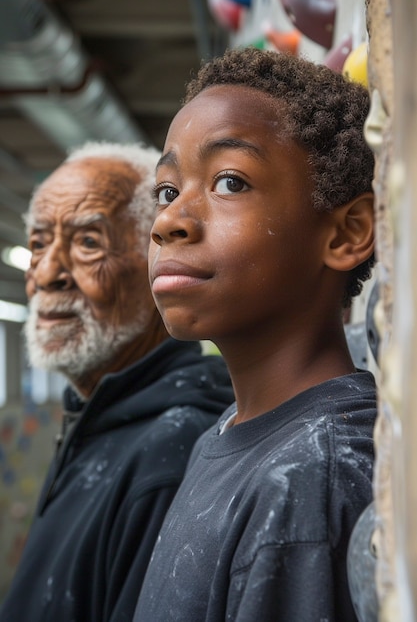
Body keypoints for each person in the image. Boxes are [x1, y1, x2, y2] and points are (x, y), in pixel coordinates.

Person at [133, 47, 378, 622]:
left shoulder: (312, 482)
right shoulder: (226, 435)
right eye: (167, 190)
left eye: (230, 182)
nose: (169, 220)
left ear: (346, 233)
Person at [0, 142, 234, 622]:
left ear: (160, 262)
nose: (46, 274)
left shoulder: (169, 453)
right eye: (39, 244)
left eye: (88, 243)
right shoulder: (97, 414)